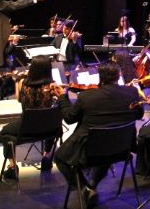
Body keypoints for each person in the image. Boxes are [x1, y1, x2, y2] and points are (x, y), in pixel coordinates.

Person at [54, 61, 143, 205]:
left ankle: (84, 187)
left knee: (59, 157)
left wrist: (62, 98)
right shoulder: (132, 92)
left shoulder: (86, 97)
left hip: (89, 153)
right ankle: (93, 185)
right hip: (121, 149)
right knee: (106, 145)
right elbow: (138, 115)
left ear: (99, 77)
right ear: (119, 75)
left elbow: (69, 118)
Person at [0, 56, 63, 179]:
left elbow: (18, 100)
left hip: (27, 128)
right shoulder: (52, 86)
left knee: (4, 132)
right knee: (51, 120)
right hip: (49, 129)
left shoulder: (23, 83)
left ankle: (12, 167)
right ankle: (46, 156)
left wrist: (17, 80)